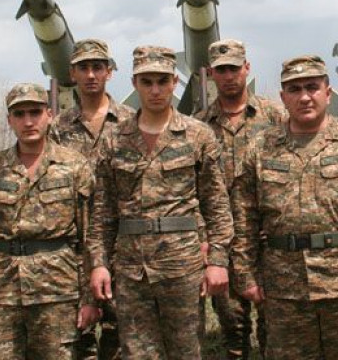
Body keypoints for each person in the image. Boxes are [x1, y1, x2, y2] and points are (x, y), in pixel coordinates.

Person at [231, 55, 338, 360]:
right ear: (283, 97)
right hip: (285, 287)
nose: (304, 97)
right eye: (294, 89)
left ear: (328, 92)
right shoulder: (261, 147)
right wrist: (245, 273)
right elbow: (244, 214)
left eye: (312, 87)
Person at [87, 45, 233, 359]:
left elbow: (217, 206)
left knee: (186, 351)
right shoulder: (114, 140)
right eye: (147, 81)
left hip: (182, 267)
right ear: (134, 83)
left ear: (174, 83)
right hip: (132, 270)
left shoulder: (198, 135)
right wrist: (98, 263)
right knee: (137, 353)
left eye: (163, 81)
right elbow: (103, 213)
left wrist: (218, 260)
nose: (155, 90)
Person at [0, 83, 100, 359]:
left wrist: (89, 299)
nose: (28, 122)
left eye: (35, 112)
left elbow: (90, 236)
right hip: (4, 294)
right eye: (20, 114)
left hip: (58, 293)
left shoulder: (74, 166)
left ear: (49, 114)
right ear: (9, 120)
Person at [195, 39, 285, 359]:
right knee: (233, 328)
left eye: (234, 68)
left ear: (246, 68)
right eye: (221, 70)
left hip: (268, 238)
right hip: (223, 242)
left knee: (275, 325)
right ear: (211, 74)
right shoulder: (198, 126)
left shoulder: (275, 116)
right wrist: (204, 237)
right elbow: (193, 188)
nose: (229, 76)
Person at [52, 38, 134, 360]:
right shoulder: (57, 129)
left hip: (120, 243)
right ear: (72, 73)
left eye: (97, 67)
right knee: (77, 333)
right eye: (83, 68)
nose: (90, 75)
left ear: (109, 72)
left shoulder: (130, 122)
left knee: (121, 332)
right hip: (72, 246)